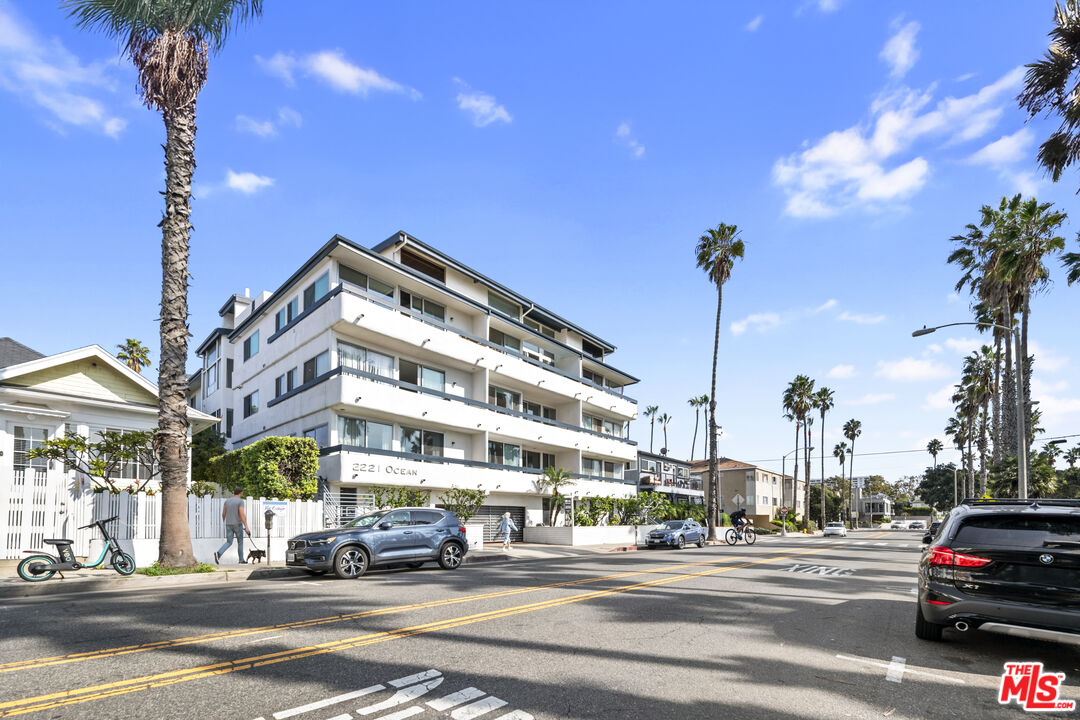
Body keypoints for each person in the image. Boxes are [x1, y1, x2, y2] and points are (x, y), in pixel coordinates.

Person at [214, 487, 251, 564]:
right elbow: (241, 514)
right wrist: (246, 526)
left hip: (228, 524)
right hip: (237, 524)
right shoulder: (240, 501)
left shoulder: (227, 501)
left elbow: (223, 514)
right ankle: (241, 560)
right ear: (240, 493)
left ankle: (219, 553)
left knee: (229, 542)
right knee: (240, 542)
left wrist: (225, 521)